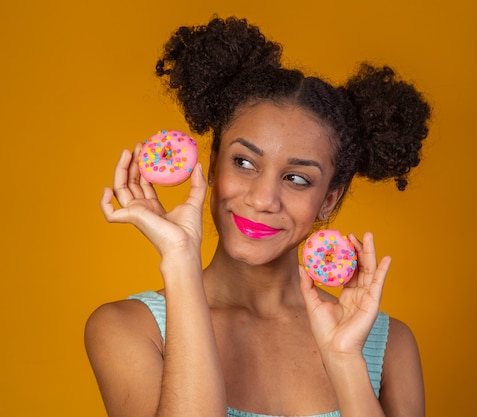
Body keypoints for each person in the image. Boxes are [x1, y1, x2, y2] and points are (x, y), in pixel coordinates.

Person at [85, 16, 431, 417]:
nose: (264, 199)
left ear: (329, 200)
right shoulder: (128, 329)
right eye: (245, 163)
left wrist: (344, 359)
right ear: (213, 166)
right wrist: (180, 260)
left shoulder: (389, 345)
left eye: (297, 178)